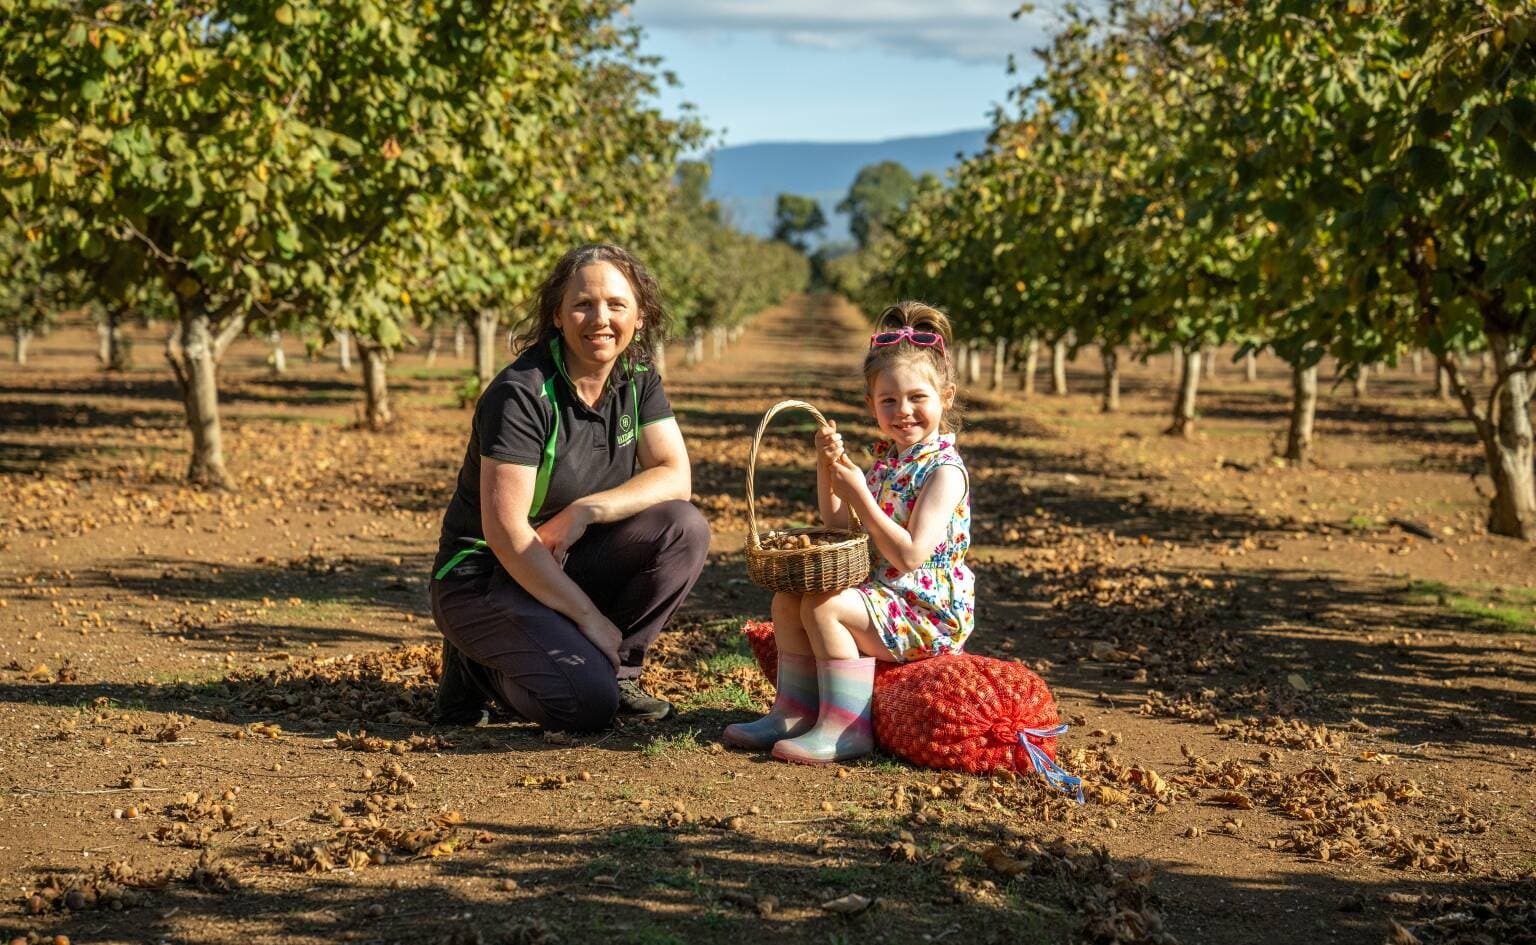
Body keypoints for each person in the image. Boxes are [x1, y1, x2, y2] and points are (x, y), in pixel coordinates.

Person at [428, 243, 709, 732]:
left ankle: (617, 672)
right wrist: (590, 618)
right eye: (582, 304)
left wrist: (585, 510)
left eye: (616, 304)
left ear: (639, 317)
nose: (600, 318)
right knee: (585, 708)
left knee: (683, 527)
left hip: (564, 561)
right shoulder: (520, 394)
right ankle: (478, 668)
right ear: (557, 316)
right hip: (485, 574)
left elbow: (674, 476)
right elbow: (507, 534)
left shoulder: (637, 377)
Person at [724, 301, 974, 764]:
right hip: (884, 593)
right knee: (790, 595)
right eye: (889, 400)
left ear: (947, 396)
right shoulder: (889, 463)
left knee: (824, 605)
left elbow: (911, 556)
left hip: (925, 609)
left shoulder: (943, 472)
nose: (904, 411)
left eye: (918, 397)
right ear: (871, 404)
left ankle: (846, 727)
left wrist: (860, 493)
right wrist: (829, 467)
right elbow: (839, 525)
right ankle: (793, 711)